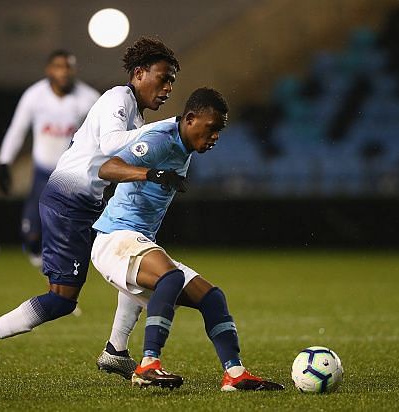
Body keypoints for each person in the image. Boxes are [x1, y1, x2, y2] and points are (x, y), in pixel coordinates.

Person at [0, 37, 180, 385]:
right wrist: (169, 126)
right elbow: (109, 145)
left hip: (88, 204)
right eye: (162, 78)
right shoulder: (117, 98)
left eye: (172, 82)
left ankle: (116, 351)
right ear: (138, 73)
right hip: (67, 204)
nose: (167, 88)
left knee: (132, 267)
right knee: (62, 300)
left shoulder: (132, 111)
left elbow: (115, 158)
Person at [91, 87, 285, 391]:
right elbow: (107, 167)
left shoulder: (184, 147)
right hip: (114, 239)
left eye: (219, 130)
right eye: (212, 128)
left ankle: (235, 374)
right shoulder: (161, 140)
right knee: (170, 278)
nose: (215, 137)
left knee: (212, 298)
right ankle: (148, 365)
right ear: (191, 119)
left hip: (136, 242)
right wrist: (151, 174)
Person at [0, 49, 100, 266]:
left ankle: (61, 283)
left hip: (72, 176)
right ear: (49, 70)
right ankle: (50, 272)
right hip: (42, 173)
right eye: (59, 67)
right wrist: (4, 162)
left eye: (68, 67)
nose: (64, 72)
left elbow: (103, 137)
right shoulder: (34, 96)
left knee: (66, 235)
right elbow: (17, 129)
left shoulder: (89, 98)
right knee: (31, 235)